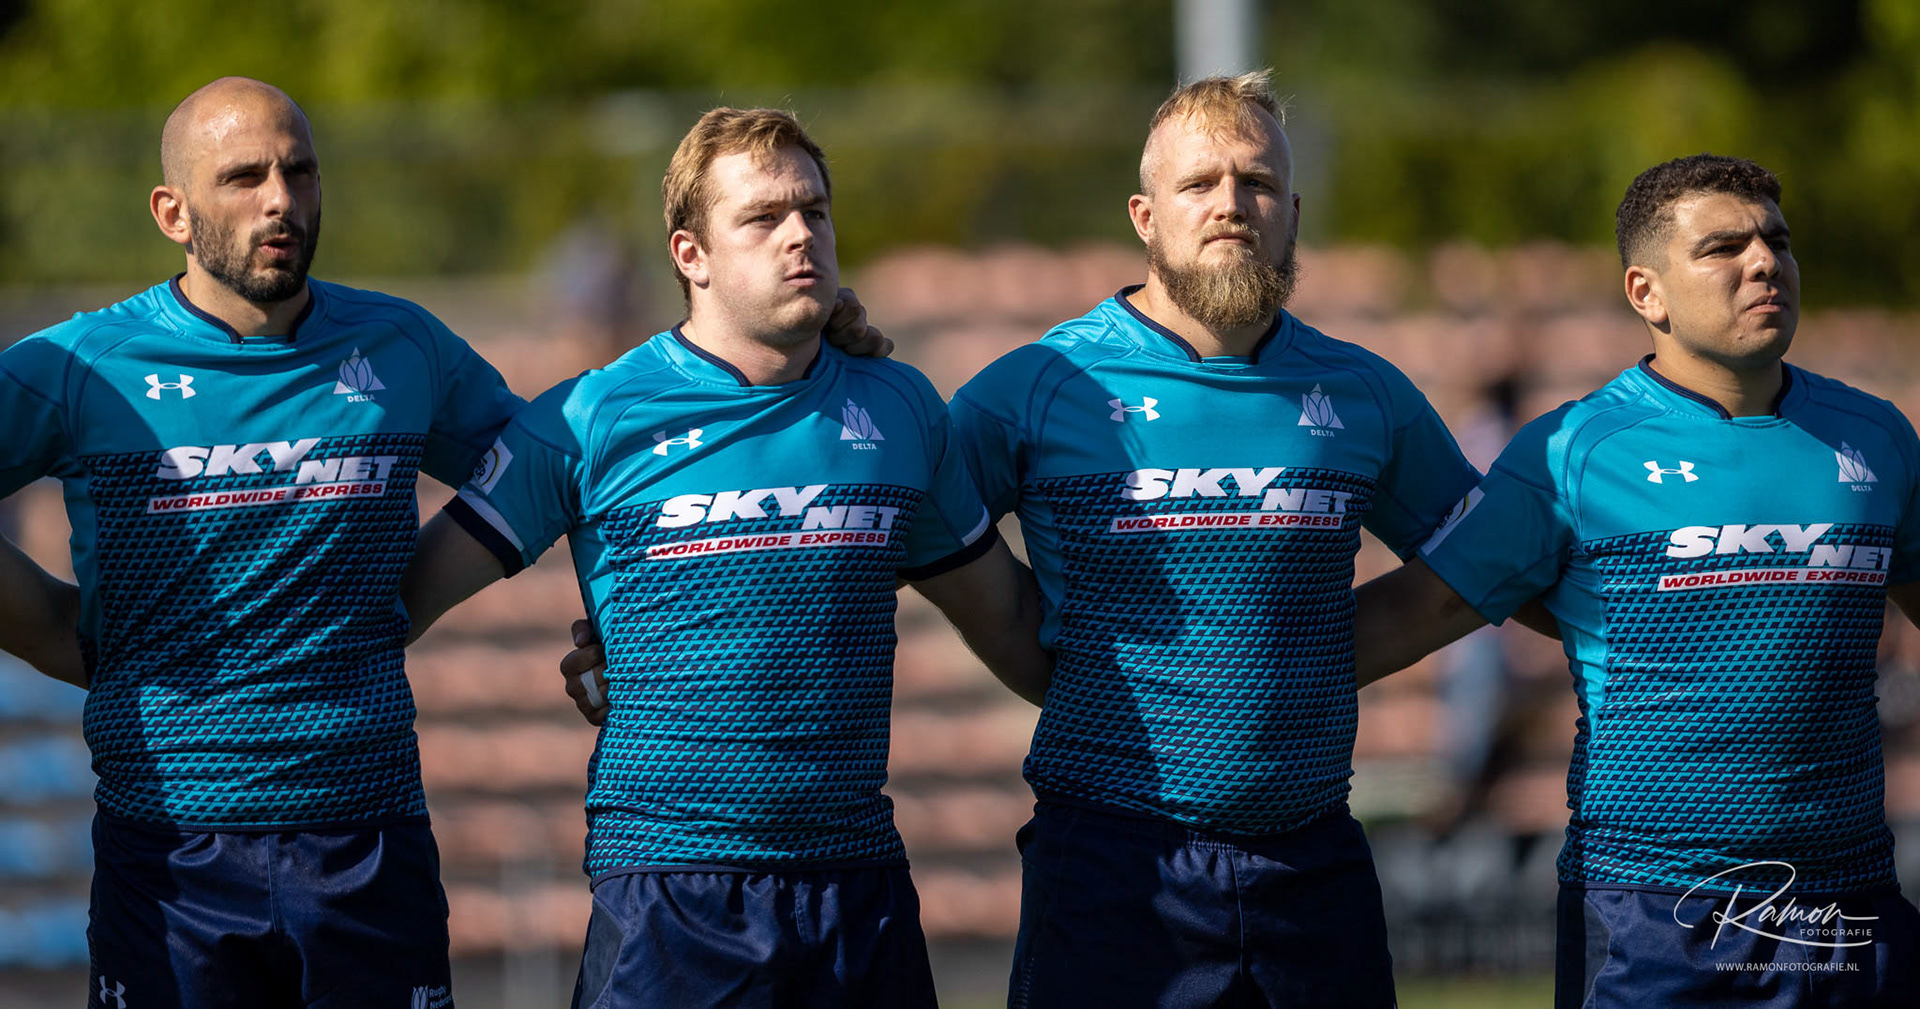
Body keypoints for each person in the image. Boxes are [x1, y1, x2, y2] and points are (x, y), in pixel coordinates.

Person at [399, 106, 1051, 1009]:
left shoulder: (901, 409)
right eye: (763, 218)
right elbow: (401, 599)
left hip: (857, 890)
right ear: (690, 254)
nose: (801, 235)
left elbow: (1009, 621)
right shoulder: (591, 417)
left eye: (814, 211)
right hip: (671, 892)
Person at [951, 70, 1474, 1007]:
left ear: (1293, 214)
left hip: (1314, 862)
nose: (1231, 204)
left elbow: (1472, 570)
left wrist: (1309, 661)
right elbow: (898, 529)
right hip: (1111, 860)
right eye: (1199, 183)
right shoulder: (1040, 383)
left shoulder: (1366, 392)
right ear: (1145, 215)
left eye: (1258, 183)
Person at [0, 76, 525, 1008]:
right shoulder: (79, 365)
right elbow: (55, 627)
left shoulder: (404, 345)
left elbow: (554, 473)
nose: (280, 199)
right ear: (173, 212)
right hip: (169, 851)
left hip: (371, 841)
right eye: (243, 177)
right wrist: (51, 628)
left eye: (300, 172)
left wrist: (595, 626)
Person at [1354, 154, 1920, 1007]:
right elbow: (1420, 607)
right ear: (1645, 292)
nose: (1764, 262)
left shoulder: (1876, 437)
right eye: (1723, 247)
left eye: (1776, 240)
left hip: (1848, 908)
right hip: (1652, 914)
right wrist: (1220, 684)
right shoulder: (1573, 452)